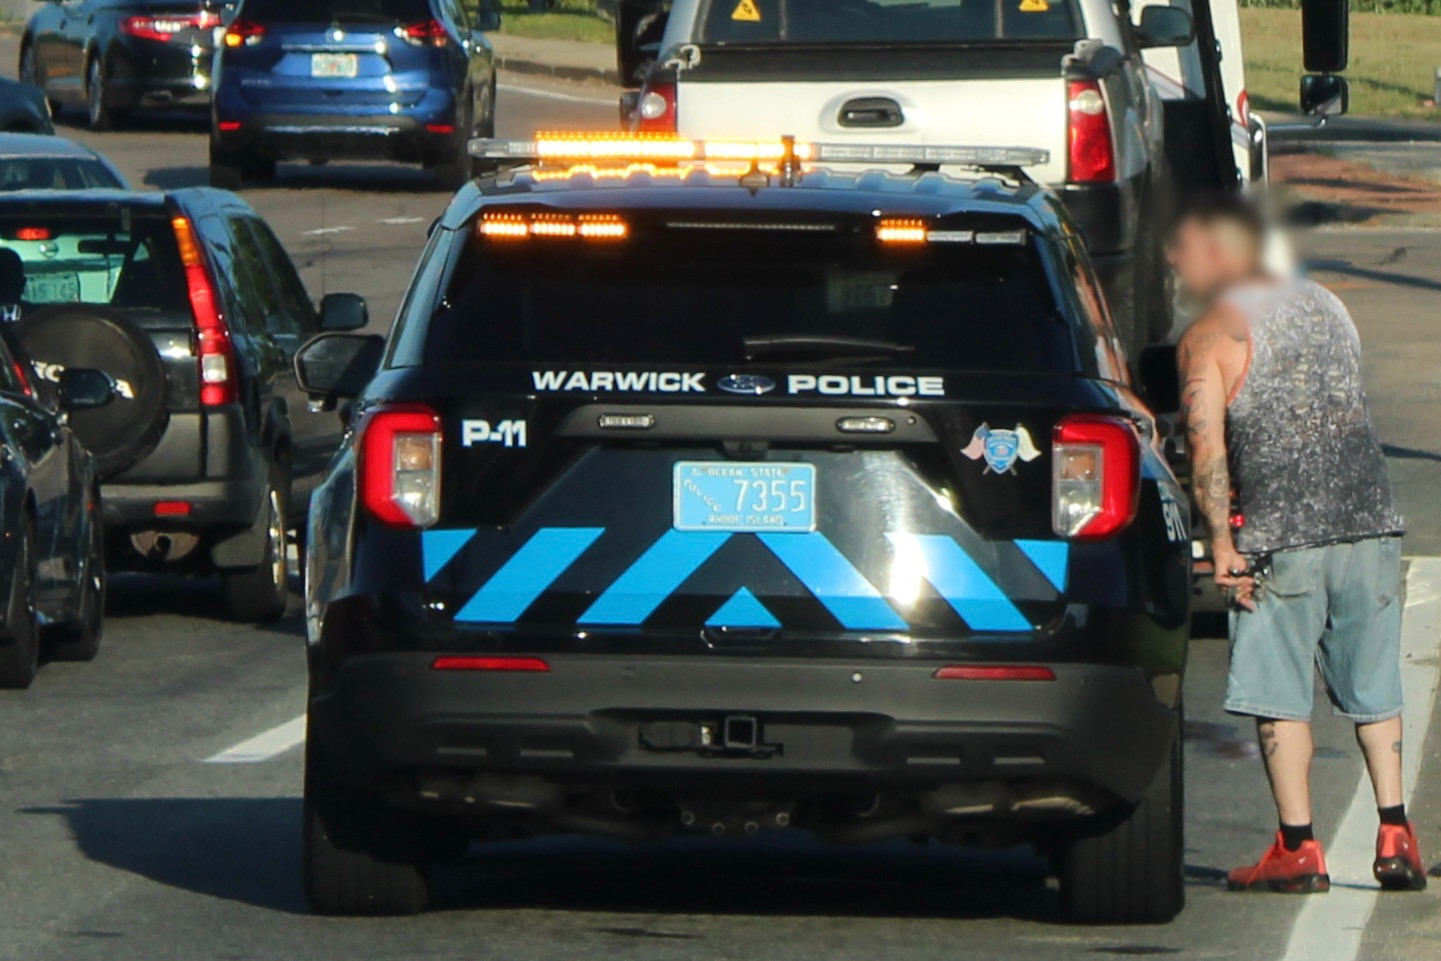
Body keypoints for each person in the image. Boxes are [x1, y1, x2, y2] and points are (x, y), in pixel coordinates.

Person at [1169, 193, 1425, 894]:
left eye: (1185, 247)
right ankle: (1395, 828)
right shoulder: (1324, 305)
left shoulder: (1209, 336)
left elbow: (1205, 444)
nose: (1173, 260)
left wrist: (1220, 540)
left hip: (1281, 530)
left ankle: (1297, 845)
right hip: (1368, 514)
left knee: (1278, 691)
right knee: (1374, 684)